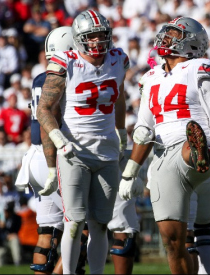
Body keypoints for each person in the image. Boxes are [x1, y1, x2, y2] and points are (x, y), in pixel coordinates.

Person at [119, 16, 210, 274]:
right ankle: (197, 154)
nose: (167, 37)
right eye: (168, 32)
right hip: (164, 156)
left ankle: (197, 153)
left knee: (190, 141)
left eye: (175, 35)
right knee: (178, 241)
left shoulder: (200, 67)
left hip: (194, 144)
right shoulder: (150, 77)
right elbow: (143, 131)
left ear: (191, 44)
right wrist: (130, 172)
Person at [36, 10, 128, 274]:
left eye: (102, 36)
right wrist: (58, 137)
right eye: (91, 37)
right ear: (78, 39)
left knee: (101, 223)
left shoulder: (118, 59)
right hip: (75, 151)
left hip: (108, 150)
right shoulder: (67, 62)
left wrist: (121, 132)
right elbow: (43, 109)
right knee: (74, 222)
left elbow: (119, 97)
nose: (98, 42)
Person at [14, 26, 77, 275]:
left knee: (47, 232)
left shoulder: (40, 77)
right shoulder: (66, 76)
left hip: (35, 157)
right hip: (56, 156)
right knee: (82, 229)